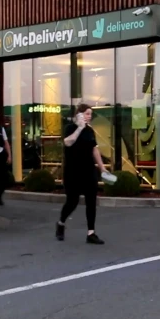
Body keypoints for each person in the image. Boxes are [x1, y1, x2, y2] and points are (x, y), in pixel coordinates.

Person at [56, 104, 110, 244]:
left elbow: (94, 150)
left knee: (91, 202)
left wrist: (102, 168)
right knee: (72, 202)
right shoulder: (70, 128)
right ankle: (61, 223)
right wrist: (79, 128)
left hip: (89, 171)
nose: (89, 116)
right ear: (78, 115)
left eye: (90, 114)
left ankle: (91, 233)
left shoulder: (90, 131)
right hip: (73, 172)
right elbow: (68, 142)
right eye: (87, 114)